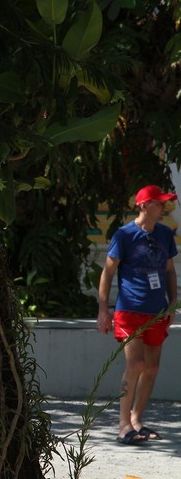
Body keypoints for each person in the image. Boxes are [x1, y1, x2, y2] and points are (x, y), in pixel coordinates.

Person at [97, 184, 179, 444]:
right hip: (129, 311)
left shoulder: (165, 234)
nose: (164, 206)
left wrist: (173, 302)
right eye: (159, 202)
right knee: (136, 365)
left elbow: (169, 271)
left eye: (165, 202)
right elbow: (108, 272)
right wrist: (103, 310)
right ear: (143, 205)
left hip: (157, 312)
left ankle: (137, 420)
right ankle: (123, 426)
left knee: (152, 368)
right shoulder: (124, 235)